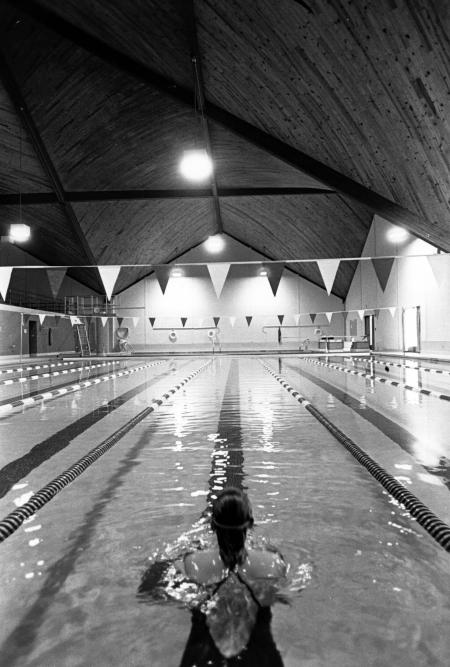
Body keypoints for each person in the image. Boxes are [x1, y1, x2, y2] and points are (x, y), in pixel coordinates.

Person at [178, 487, 286, 665]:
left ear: (212, 525)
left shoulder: (193, 563)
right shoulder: (273, 563)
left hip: (201, 654)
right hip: (260, 656)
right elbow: (281, 595)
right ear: (250, 524)